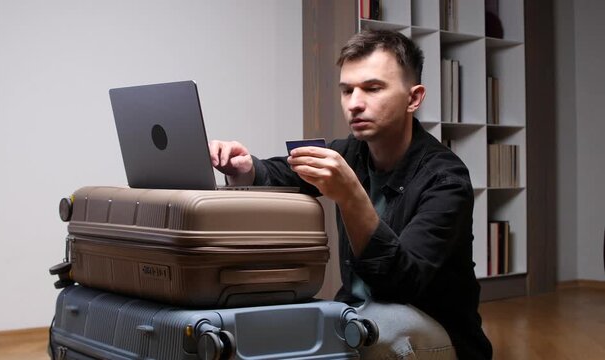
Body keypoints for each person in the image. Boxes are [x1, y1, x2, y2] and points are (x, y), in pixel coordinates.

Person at [209, 29, 492, 360]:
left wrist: (350, 196)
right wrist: (245, 168)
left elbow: (401, 285)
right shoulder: (351, 152)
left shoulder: (446, 179)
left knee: (378, 326)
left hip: (438, 331)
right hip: (359, 313)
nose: (355, 103)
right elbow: (286, 173)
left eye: (373, 88)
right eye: (347, 90)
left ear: (413, 98)